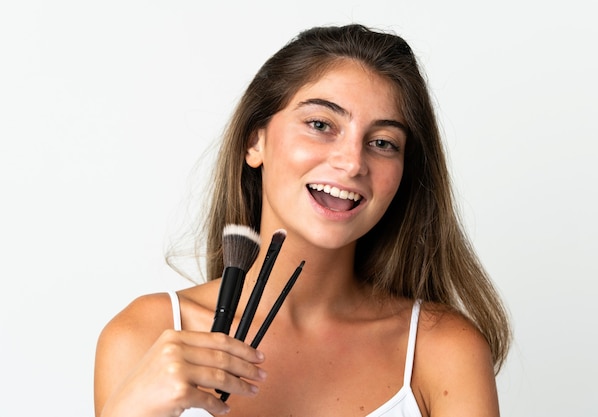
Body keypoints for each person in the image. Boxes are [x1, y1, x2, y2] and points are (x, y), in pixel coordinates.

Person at [94, 24, 511, 417]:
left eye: (383, 142)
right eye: (320, 125)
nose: (351, 163)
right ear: (254, 142)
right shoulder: (147, 336)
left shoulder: (441, 351)